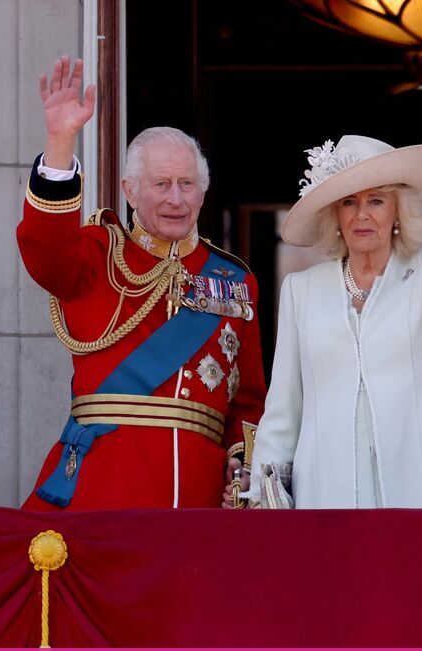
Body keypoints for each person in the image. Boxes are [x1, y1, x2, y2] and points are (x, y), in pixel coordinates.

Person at [18, 56, 267, 510]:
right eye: (161, 184)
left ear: (203, 192)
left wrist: (242, 465)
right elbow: (44, 248)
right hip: (103, 488)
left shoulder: (234, 279)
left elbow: (249, 400)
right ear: (130, 190)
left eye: (187, 184)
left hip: (199, 496)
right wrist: (60, 142)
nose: (176, 199)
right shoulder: (98, 254)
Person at [235, 104, 422, 509]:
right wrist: (265, 495)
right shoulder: (301, 290)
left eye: (376, 201)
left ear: (397, 211)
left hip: (418, 487)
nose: (362, 215)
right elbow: (284, 409)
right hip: (326, 495)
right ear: (336, 215)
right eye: (349, 202)